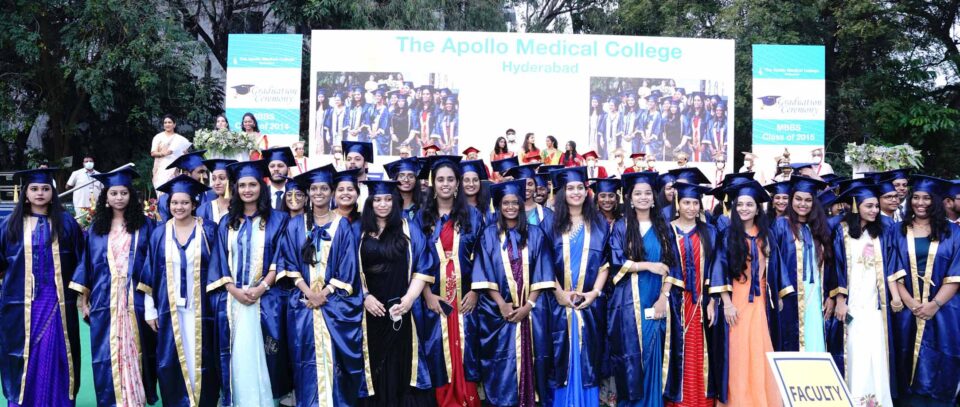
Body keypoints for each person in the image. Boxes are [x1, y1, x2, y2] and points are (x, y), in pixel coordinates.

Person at [278, 165, 364, 406]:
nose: (318, 193)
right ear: (308, 193)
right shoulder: (296, 225)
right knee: (304, 360)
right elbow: (289, 260)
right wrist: (309, 293)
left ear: (331, 192)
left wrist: (323, 294)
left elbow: (348, 266)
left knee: (335, 362)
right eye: (314, 188)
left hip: (334, 304)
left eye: (324, 188)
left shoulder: (342, 225)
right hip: (303, 304)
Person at [206, 160, 290, 406]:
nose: (247, 190)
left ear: (261, 186)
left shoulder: (279, 219)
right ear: (236, 188)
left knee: (263, 357)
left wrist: (261, 288)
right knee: (238, 356)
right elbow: (219, 260)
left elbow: (281, 258)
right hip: (233, 301)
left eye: (252, 184)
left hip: (265, 299)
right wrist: (234, 290)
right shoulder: (227, 222)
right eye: (242, 185)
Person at [70, 168, 156, 406]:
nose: (119, 197)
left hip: (135, 300)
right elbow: (87, 264)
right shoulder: (96, 229)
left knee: (137, 350)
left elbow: (152, 262)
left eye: (124, 192)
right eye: (114, 193)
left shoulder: (146, 226)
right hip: (104, 300)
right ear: (105, 197)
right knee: (106, 354)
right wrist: (83, 300)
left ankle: (134, 400)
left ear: (131, 196)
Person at [0, 168, 84, 406]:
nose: (40, 193)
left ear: (52, 192)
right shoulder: (11, 225)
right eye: (34, 189)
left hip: (57, 301)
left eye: (45, 188)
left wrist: (82, 295)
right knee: (23, 352)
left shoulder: (66, 223)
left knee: (57, 350)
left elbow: (82, 259)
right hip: (21, 303)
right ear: (25, 193)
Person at [356, 179, 442, 406]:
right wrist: (365, 296)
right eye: (377, 200)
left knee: (402, 363)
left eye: (387, 199)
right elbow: (348, 269)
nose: (383, 204)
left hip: (401, 308)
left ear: (395, 201)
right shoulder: (359, 231)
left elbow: (423, 265)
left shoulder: (408, 227)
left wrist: (409, 300)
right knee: (374, 362)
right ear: (370, 203)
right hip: (371, 310)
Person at [471, 179, 556, 407]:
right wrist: (502, 304)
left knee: (534, 356)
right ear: (498, 206)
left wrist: (528, 305)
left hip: (531, 311)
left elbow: (543, 271)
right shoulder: (488, 235)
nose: (510, 207)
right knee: (501, 361)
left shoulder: (536, 234)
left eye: (514, 203)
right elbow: (483, 272)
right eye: (505, 203)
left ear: (520, 204)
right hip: (499, 312)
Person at [139, 174, 221, 406]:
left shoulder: (209, 231)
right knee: (170, 360)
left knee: (203, 358)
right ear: (168, 204)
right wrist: (150, 310)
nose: (179, 207)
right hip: (169, 309)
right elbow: (149, 274)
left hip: (203, 310)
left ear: (194, 204)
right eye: (175, 202)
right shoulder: (159, 233)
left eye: (185, 202)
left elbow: (220, 268)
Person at [414, 157, 485, 407]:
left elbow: (483, 257)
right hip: (434, 297)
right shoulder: (421, 218)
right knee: (436, 348)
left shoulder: (473, 216)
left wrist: (476, 292)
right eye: (440, 179)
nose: (445, 184)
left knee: (467, 348)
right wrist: (427, 295)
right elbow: (416, 259)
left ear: (457, 185)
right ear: (433, 184)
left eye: (450, 180)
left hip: (465, 296)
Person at [608, 171, 681, 406]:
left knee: (653, 359)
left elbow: (672, 266)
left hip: (656, 299)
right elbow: (617, 262)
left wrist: (664, 297)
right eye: (637, 193)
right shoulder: (621, 227)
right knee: (631, 360)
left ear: (654, 197)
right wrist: (649, 265)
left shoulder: (664, 228)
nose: (642, 197)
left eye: (647, 193)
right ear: (629, 198)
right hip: (628, 303)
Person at [886, 175, 960, 406]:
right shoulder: (897, 231)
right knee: (904, 355)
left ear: (936, 201)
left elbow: (956, 274)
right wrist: (909, 301)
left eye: (927, 198)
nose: (920, 202)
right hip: (907, 311)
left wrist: (934, 304)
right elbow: (892, 268)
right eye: (915, 197)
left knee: (941, 356)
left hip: (944, 310)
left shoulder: (953, 233)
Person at [709, 180, 781, 407]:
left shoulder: (766, 235)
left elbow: (776, 269)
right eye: (740, 204)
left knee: (758, 351)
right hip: (737, 300)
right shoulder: (727, 235)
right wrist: (727, 304)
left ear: (757, 208)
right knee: (737, 353)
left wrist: (777, 296)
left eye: (749, 204)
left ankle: (759, 400)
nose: (744, 209)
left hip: (759, 301)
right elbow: (719, 268)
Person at [547, 167, 609, 406]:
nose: (575, 192)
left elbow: (606, 263)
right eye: (570, 188)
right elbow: (543, 264)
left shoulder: (599, 223)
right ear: (562, 192)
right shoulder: (551, 224)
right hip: (558, 304)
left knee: (588, 358)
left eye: (580, 188)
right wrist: (560, 293)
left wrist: (594, 293)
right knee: (560, 356)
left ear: (586, 192)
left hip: (589, 304)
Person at [828, 185, 895, 406]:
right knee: (854, 351)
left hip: (875, 303)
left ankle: (876, 401)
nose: (875, 210)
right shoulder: (842, 230)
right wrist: (840, 300)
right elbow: (836, 266)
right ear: (857, 206)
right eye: (869, 206)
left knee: (874, 352)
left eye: (876, 205)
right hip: (852, 302)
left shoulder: (880, 232)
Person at [664, 182, 723, 406]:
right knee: (677, 348)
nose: (690, 207)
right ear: (678, 203)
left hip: (702, 300)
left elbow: (717, 265)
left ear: (700, 205)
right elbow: (665, 264)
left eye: (695, 203)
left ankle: (701, 400)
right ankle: (678, 400)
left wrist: (713, 300)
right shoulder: (667, 230)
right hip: (675, 301)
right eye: (686, 202)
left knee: (702, 349)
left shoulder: (709, 231)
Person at [770, 176, 840, 353]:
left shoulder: (819, 227)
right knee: (790, 338)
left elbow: (830, 264)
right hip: (789, 293)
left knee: (815, 336)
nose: (803, 204)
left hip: (816, 293)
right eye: (798, 199)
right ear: (791, 199)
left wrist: (830, 296)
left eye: (808, 200)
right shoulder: (780, 225)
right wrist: (779, 294)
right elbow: (774, 263)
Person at [157, 150, 212, 222]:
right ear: (186, 174)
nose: (206, 176)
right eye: (201, 172)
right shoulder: (165, 200)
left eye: (206, 172)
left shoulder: (211, 196)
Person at [504, 163, 554, 230]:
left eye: (530, 184)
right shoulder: (508, 212)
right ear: (516, 186)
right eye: (522, 184)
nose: (527, 188)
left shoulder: (547, 214)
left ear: (535, 186)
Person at [150, 114, 192, 192]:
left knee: (172, 191)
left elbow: (184, 156)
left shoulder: (179, 139)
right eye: (165, 122)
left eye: (169, 122)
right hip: (161, 169)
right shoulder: (158, 137)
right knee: (161, 192)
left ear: (174, 124)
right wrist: (163, 153)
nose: (167, 124)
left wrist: (185, 153)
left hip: (174, 169)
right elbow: (153, 153)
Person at [196, 159, 236, 225]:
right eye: (214, 179)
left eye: (222, 178)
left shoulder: (241, 207)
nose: (217, 183)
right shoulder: (204, 209)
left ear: (231, 180)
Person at [262, 146, 296, 211]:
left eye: (280, 166)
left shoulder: (295, 194)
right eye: (272, 166)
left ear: (288, 170)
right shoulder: (261, 195)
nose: (276, 169)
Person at [314, 89, 332, 155]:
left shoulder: (329, 108)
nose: (320, 98)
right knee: (316, 144)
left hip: (323, 129)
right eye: (319, 97)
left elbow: (329, 119)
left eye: (322, 97)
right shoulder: (316, 106)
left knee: (323, 145)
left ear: (325, 97)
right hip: (317, 129)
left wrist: (326, 129)